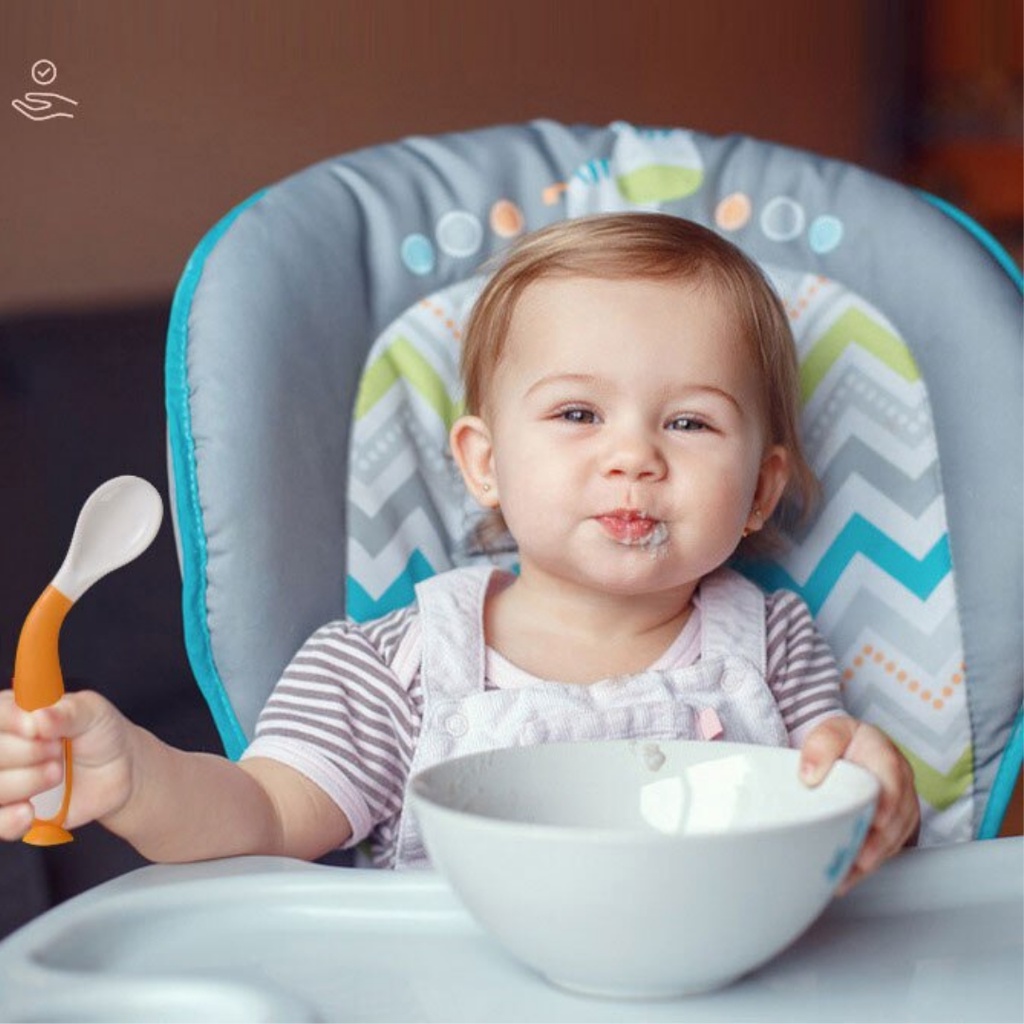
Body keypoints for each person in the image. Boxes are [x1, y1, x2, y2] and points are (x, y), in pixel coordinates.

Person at [0, 214, 918, 889]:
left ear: (760, 489)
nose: (633, 455)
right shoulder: (388, 668)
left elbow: (841, 843)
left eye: (688, 421)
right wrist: (134, 779)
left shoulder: (772, 647)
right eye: (577, 414)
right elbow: (263, 816)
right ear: (485, 463)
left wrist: (874, 794)